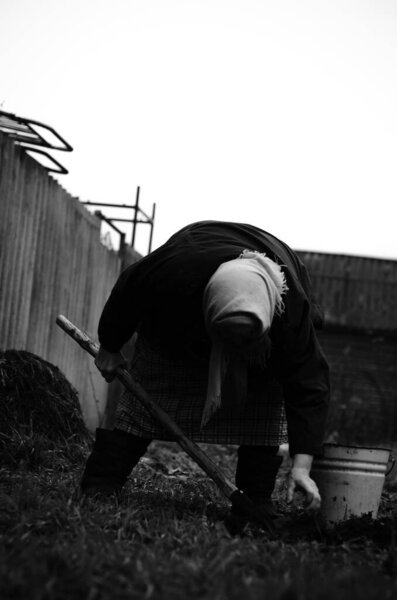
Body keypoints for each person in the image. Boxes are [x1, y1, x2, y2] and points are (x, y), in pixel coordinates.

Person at [81, 220, 330, 518]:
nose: (233, 350)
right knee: (145, 395)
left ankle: (256, 499)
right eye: (228, 339)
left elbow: (309, 384)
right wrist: (110, 345)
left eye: (244, 341)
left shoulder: (290, 312)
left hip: (266, 340)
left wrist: (302, 468)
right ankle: (102, 482)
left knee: (265, 396)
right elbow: (127, 291)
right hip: (183, 316)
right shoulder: (171, 276)